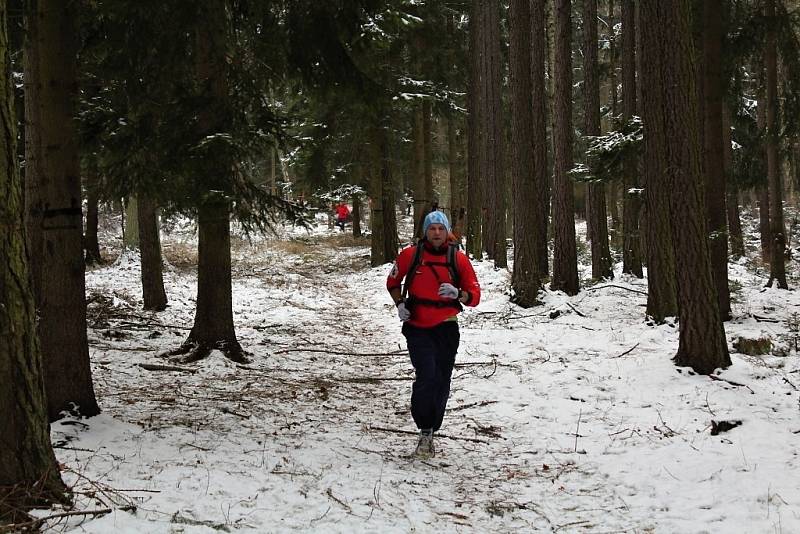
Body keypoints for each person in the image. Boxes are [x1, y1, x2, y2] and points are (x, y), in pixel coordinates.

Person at [386, 210, 481, 458]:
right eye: (432, 229)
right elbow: (392, 282)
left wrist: (458, 294)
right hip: (417, 326)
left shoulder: (458, 259)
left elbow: (475, 297)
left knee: (441, 379)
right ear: (425, 232)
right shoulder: (411, 254)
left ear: (447, 231)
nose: (436, 233)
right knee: (426, 375)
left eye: (440, 228)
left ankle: (432, 427)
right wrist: (400, 304)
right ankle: (425, 428)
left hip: (446, 326)